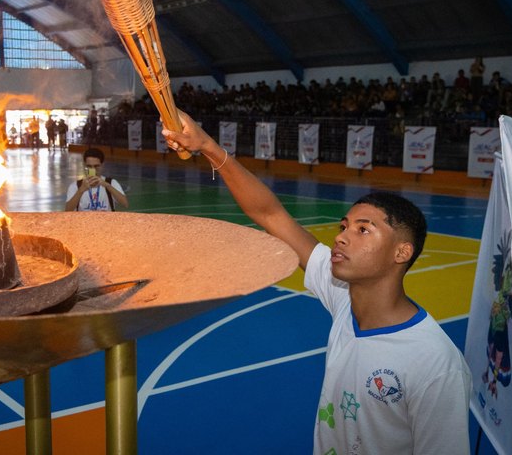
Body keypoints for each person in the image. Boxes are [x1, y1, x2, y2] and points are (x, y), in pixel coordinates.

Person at [162, 111, 472, 455]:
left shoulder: (435, 364)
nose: (341, 238)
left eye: (363, 230)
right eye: (344, 227)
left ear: (402, 252)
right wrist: (207, 145)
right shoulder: (345, 300)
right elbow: (270, 215)